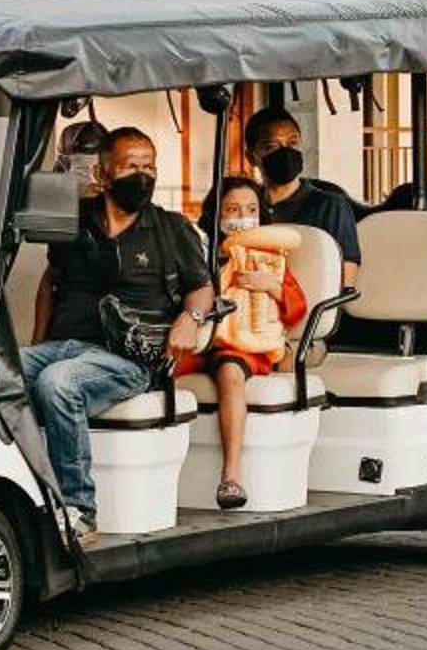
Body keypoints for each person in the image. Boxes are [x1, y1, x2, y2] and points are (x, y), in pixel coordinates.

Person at [22, 126, 215, 537]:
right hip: (64, 345)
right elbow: (50, 281)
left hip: (128, 358)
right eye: (131, 167)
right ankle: (19, 498)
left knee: (58, 382)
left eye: (150, 167)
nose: (143, 176)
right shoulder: (75, 221)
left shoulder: (170, 228)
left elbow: (202, 289)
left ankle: (77, 509)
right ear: (103, 175)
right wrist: (37, 344)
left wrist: (191, 318)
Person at [190, 175, 313, 510]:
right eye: (232, 210)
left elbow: (297, 308)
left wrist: (270, 285)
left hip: (242, 348)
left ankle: (231, 475)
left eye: (251, 210)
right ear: (216, 214)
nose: (242, 217)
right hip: (196, 343)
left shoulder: (269, 259)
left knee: (230, 373)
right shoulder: (199, 253)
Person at [244, 107, 361, 284]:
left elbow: (346, 280)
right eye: (271, 147)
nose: (285, 152)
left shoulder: (331, 206)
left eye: (293, 143)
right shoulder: (246, 207)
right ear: (251, 157)